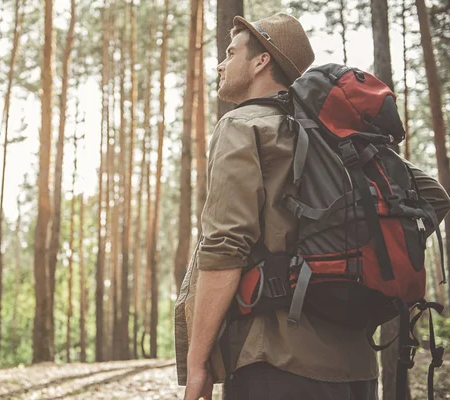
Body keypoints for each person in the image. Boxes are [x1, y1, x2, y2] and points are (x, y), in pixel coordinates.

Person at [182, 12, 450, 400]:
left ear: (261, 61)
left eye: (230, 52)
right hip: (358, 368)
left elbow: (225, 246)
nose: (220, 63)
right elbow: (434, 196)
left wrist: (198, 364)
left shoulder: (243, 125)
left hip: (275, 363)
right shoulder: (343, 139)